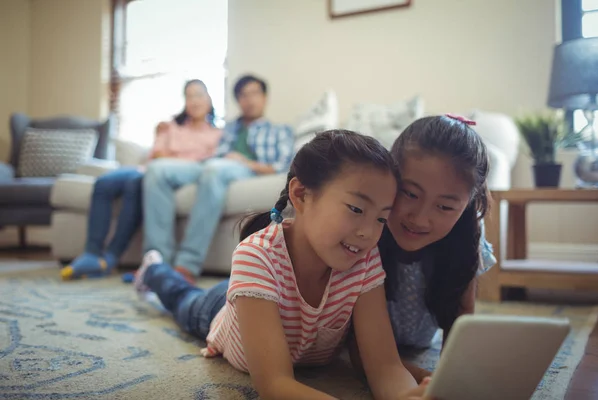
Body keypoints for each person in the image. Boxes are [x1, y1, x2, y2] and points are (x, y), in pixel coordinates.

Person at [133, 130, 434, 400]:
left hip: (261, 290)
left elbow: (384, 365)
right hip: (217, 311)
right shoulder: (255, 256)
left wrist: (407, 395)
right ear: (301, 195)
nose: (368, 232)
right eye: (356, 209)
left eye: (381, 217)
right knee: (181, 297)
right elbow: (275, 384)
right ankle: (154, 269)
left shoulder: (364, 257)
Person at [348, 114, 497, 383]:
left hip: (417, 342)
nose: (419, 218)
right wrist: (427, 378)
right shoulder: (366, 230)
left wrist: (451, 378)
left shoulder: (467, 236)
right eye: (410, 194)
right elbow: (361, 354)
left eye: (445, 207)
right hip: (365, 346)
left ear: (465, 207)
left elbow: (461, 321)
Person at [60, 79, 221, 280]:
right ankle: (92, 253)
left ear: (209, 99)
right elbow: (156, 154)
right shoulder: (171, 126)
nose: (194, 101)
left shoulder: (218, 135)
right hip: (148, 169)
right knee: (103, 183)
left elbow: (205, 164)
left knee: (134, 186)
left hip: (168, 173)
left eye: (199, 95)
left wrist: (170, 159)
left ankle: (110, 258)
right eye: (189, 96)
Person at [142, 74, 294, 283]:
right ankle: (156, 262)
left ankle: (187, 264)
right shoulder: (228, 128)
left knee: (214, 170)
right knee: (157, 170)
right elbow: (206, 151)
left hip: (243, 169)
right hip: (211, 164)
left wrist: (245, 162)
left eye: (255, 93)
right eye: (243, 95)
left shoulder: (280, 131)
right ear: (238, 100)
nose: (249, 99)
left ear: (265, 97)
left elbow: (283, 166)